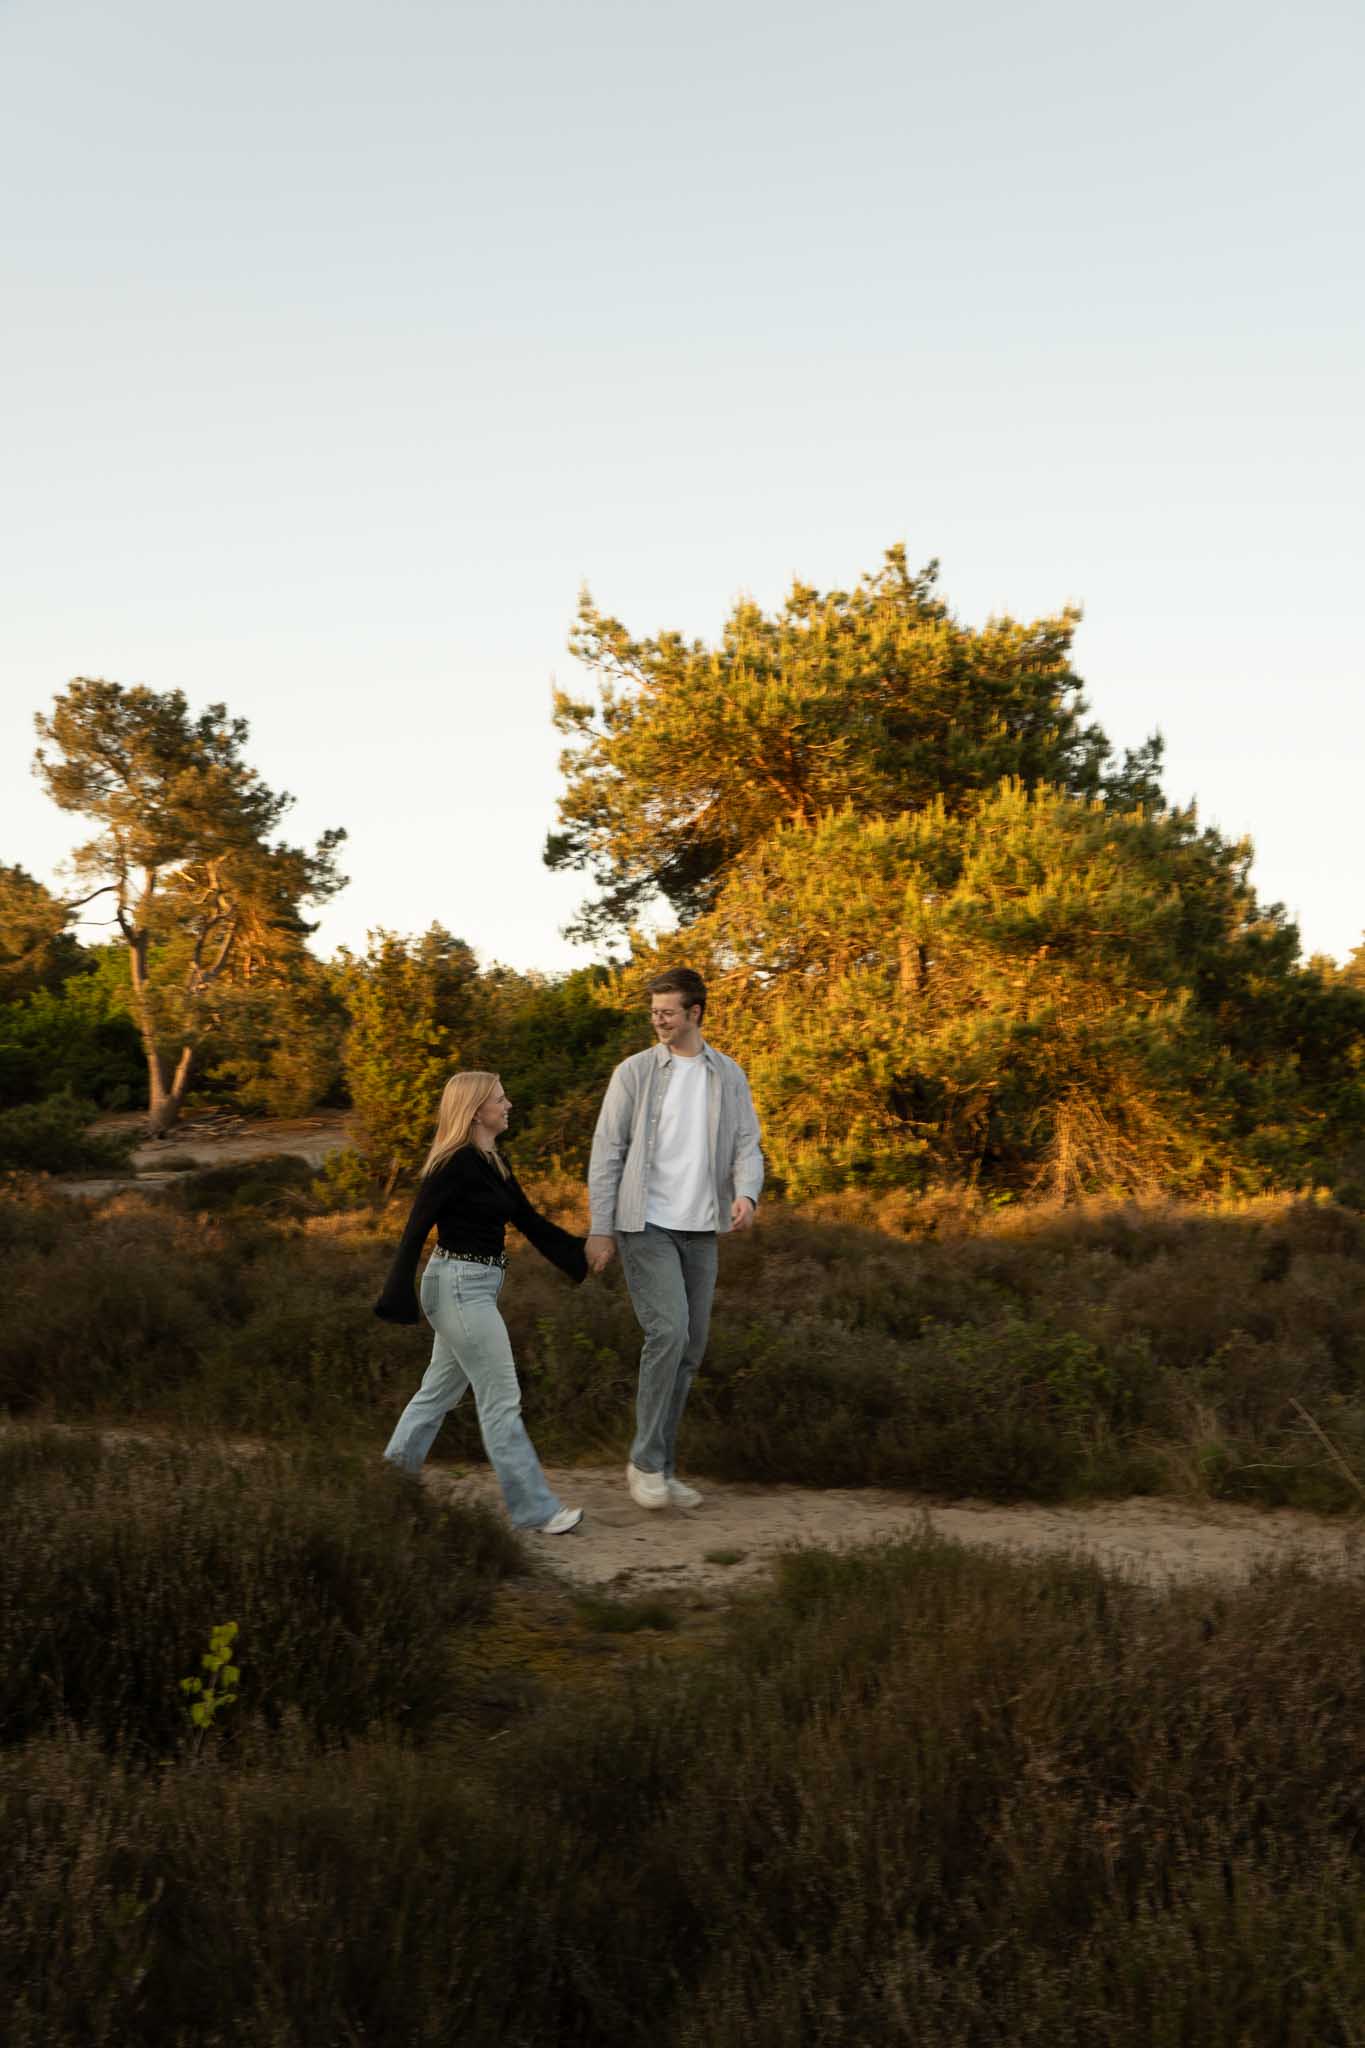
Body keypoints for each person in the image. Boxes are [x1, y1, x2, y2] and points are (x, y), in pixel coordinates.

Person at [374, 1070, 586, 1535]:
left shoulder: (494, 1161)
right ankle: (536, 1509)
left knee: (436, 1395)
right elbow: (414, 1229)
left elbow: (528, 1221)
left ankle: (389, 1485)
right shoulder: (453, 1163)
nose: (509, 1104)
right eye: (500, 1099)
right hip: (457, 1288)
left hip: (475, 1286)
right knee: (501, 1397)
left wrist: (580, 1255)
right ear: (475, 1111)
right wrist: (397, 1295)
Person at [586, 968, 764, 1510]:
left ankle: (662, 1466)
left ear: (695, 1014)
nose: (658, 1020)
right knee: (668, 1333)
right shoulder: (635, 1073)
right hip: (647, 1223)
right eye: (654, 1012)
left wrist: (748, 1195)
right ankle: (643, 1463)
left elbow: (747, 1143)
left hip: (702, 1227)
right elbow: (607, 1150)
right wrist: (600, 1226)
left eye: (668, 1011)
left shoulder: (726, 1074)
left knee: (690, 1349)